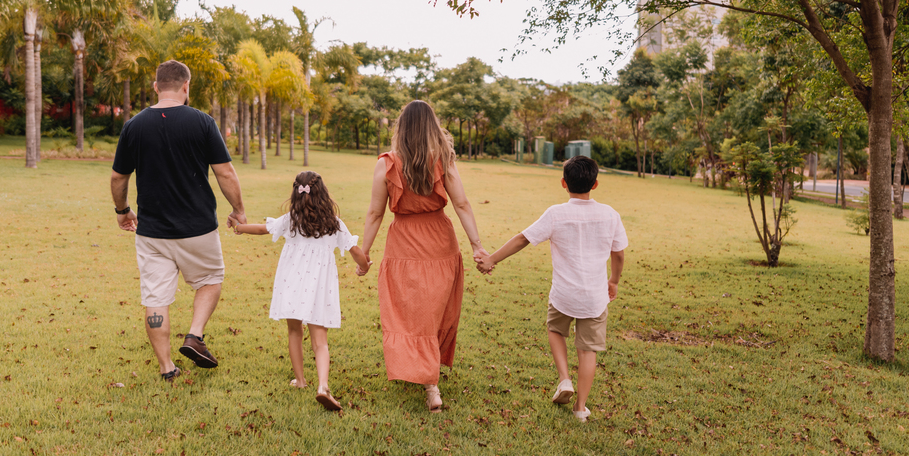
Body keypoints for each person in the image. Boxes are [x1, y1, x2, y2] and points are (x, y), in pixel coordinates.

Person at [110, 60, 247, 381]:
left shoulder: (133, 126)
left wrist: (122, 211)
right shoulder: (203, 122)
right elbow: (225, 171)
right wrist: (238, 210)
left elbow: (118, 177)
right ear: (187, 87)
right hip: (198, 228)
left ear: (156, 87)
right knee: (210, 279)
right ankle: (194, 335)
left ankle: (167, 368)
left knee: (156, 298)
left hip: (152, 231)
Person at [476, 155, 627, 421]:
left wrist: (491, 260)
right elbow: (619, 253)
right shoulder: (610, 214)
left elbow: (523, 238)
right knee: (587, 350)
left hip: (564, 295)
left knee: (555, 329)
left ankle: (564, 378)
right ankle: (580, 408)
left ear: (563, 183)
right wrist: (613, 280)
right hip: (595, 297)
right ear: (595, 185)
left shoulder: (556, 213)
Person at [359, 100, 486, 413]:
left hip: (404, 243)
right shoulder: (444, 159)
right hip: (440, 242)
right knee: (431, 311)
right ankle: (429, 379)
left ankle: (430, 381)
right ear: (433, 126)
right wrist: (476, 245)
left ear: (400, 127)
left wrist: (364, 252)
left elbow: (375, 213)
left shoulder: (387, 163)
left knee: (412, 311)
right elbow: (462, 205)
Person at [232, 170, 369, 412]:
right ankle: (323, 386)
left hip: (291, 283)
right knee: (320, 339)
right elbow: (355, 249)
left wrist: (240, 228)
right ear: (323, 194)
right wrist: (364, 265)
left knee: (294, 331)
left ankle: (301, 381)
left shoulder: (292, 219)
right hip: (319, 286)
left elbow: (264, 229)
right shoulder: (334, 224)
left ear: (296, 193)